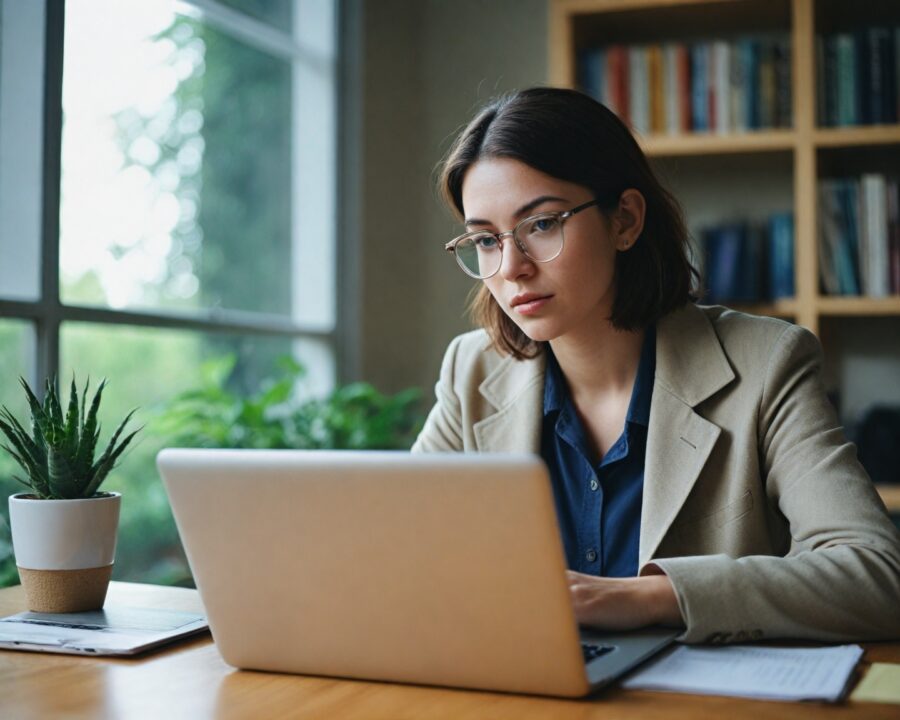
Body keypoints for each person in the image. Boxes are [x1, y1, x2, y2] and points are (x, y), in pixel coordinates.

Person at [411, 87, 900, 644]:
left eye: (541, 224)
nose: (511, 267)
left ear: (625, 220)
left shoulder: (767, 363)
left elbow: (877, 575)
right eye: (485, 240)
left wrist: (645, 598)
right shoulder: (471, 370)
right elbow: (404, 554)